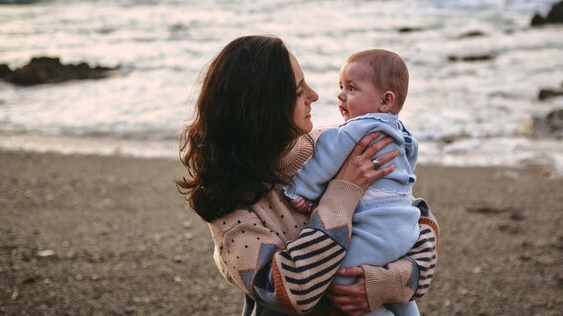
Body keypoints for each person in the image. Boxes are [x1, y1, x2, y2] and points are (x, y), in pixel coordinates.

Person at [176, 35, 439, 316]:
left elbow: (415, 220)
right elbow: (287, 290)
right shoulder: (229, 204)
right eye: (300, 90)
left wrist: (390, 283)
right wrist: (344, 189)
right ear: (265, 105)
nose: (314, 95)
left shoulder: (334, 144)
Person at [284, 50, 421, 316]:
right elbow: (410, 162)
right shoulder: (402, 134)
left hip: (374, 228)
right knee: (400, 296)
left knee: (344, 279)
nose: (340, 95)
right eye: (341, 87)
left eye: (352, 88)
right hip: (406, 226)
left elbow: (324, 158)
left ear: (385, 101)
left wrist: (301, 190)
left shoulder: (354, 130)